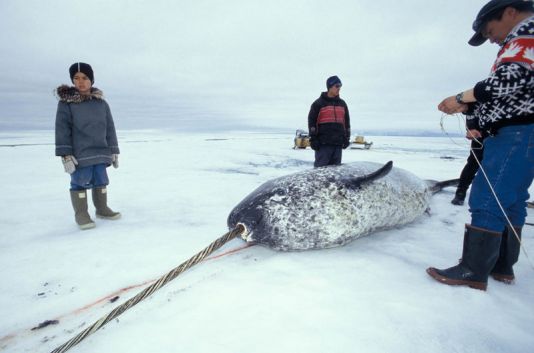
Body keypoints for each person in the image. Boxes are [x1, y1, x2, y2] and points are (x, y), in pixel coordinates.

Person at [427, 0, 534, 290]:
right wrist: (471, 112)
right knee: (511, 199)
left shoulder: (526, 35)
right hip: (523, 135)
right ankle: (502, 265)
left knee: (488, 196)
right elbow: (516, 91)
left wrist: (461, 98)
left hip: (515, 134)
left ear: (510, 12)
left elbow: (508, 81)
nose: (491, 39)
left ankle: (473, 270)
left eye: (490, 30)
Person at [55, 62, 121, 230]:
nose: (81, 82)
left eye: (84, 78)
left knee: (101, 180)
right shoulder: (66, 104)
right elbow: (62, 129)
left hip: (101, 151)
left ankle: (102, 209)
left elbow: (110, 127)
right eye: (76, 78)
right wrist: (65, 154)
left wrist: (113, 150)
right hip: (80, 153)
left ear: (91, 80)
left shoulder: (101, 104)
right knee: (79, 182)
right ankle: (81, 214)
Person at [308, 76, 351, 168]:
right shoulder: (318, 104)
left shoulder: (342, 104)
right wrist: (313, 139)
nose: (339, 88)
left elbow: (346, 123)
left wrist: (347, 137)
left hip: (338, 145)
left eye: (340, 86)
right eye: (337, 86)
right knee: (320, 173)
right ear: (330, 86)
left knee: (335, 173)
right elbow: (312, 122)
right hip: (323, 145)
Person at [450, 126, 487, 206]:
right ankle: (460, 193)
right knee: (472, 164)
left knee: (494, 168)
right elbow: (469, 113)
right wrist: (470, 128)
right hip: (480, 137)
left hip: (503, 135)